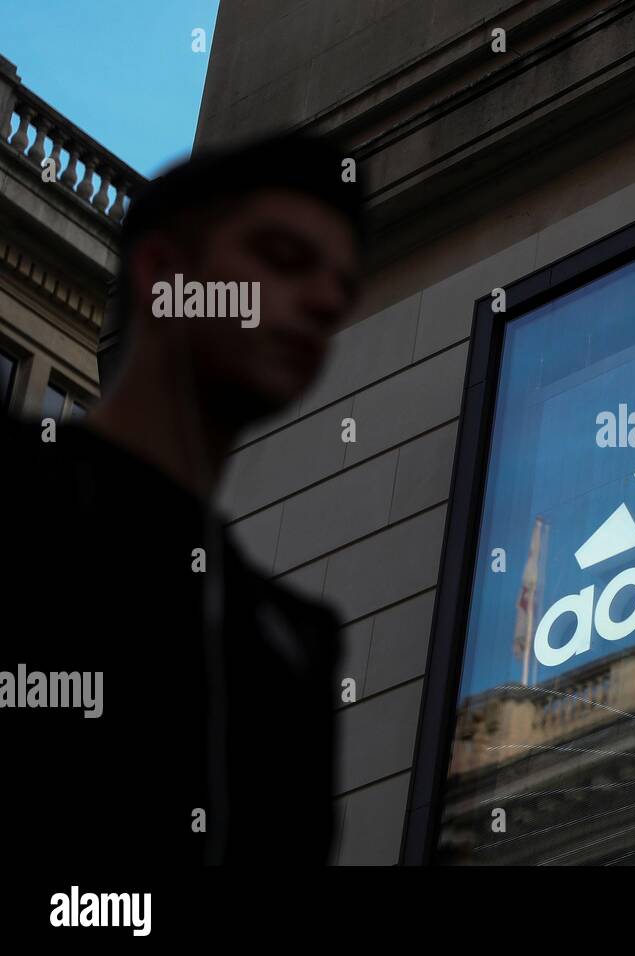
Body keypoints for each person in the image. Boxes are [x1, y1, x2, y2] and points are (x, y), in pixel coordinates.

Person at [0, 132, 364, 865]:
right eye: (283, 259)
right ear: (163, 274)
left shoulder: (292, 643)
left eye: (342, 288)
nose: (324, 302)